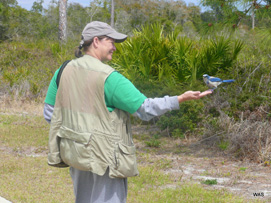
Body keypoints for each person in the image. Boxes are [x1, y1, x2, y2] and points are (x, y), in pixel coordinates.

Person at [44, 21, 212, 203]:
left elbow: (50, 112)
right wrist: (180, 99)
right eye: (111, 42)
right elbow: (145, 109)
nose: (114, 48)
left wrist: (79, 134)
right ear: (96, 41)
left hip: (75, 153)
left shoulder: (63, 71)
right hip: (105, 159)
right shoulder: (110, 78)